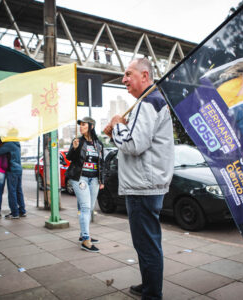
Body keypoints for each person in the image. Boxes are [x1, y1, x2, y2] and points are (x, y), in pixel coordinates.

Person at [104, 58, 174, 299]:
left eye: (128, 74)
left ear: (145, 76)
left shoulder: (148, 102)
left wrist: (116, 125)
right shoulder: (149, 102)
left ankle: (152, 294)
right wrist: (120, 129)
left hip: (143, 187)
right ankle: (149, 287)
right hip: (147, 184)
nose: (124, 80)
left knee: (147, 245)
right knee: (146, 244)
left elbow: (134, 144)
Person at [66, 117, 105, 253]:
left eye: (84, 125)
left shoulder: (98, 144)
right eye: (80, 125)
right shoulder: (78, 141)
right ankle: (86, 240)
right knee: (85, 207)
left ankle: (84, 234)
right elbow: (70, 158)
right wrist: (75, 149)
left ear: (91, 126)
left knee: (89, 209)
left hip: (94, 179)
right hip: (79, 177)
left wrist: (102, 180)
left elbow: (101, 163)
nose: (81, 127)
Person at [0, 141, 26, 219]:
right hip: (19, 169)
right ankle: (22, 211)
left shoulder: (9, 144)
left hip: (12, 170)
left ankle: (15, 213)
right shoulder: (17, 144)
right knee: (18, 190)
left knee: (12, 191)